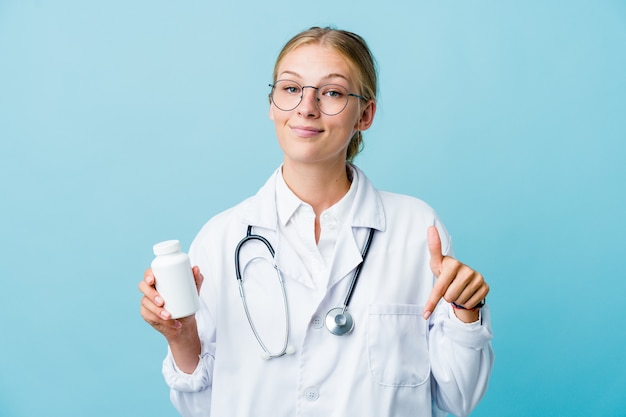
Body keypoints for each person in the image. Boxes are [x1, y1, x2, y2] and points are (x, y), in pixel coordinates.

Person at [139, 26, 494, 417]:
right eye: (291, 89)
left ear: (366, 114)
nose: (306, 107)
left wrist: (466, 310)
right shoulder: (221, 238)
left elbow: (459, 399)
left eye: (332, 93)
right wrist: (181, 336)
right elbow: (201, 408)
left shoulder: (416, 230)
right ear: (272, 105)